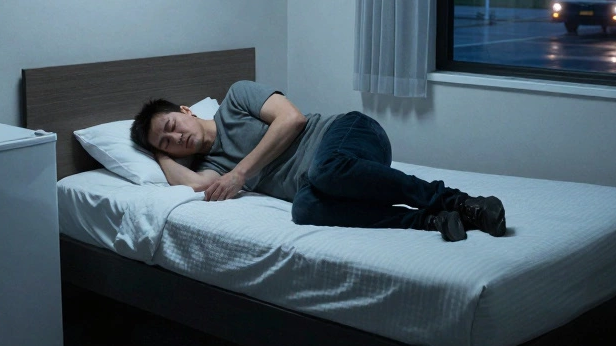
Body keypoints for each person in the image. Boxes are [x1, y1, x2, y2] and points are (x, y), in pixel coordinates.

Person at [130, 80, 506, 241]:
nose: (178, 137)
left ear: (186, 110)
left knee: (324, 170)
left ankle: (458, 201)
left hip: (348, 134)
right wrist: (158, 153)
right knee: (305, 208)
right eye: (169, 143)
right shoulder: (209, 167)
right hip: (325, 180)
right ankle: (427, 220)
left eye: (172, 126)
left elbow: (292, 119)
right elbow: (197, 186)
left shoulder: (237, 98)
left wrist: (241, 173)